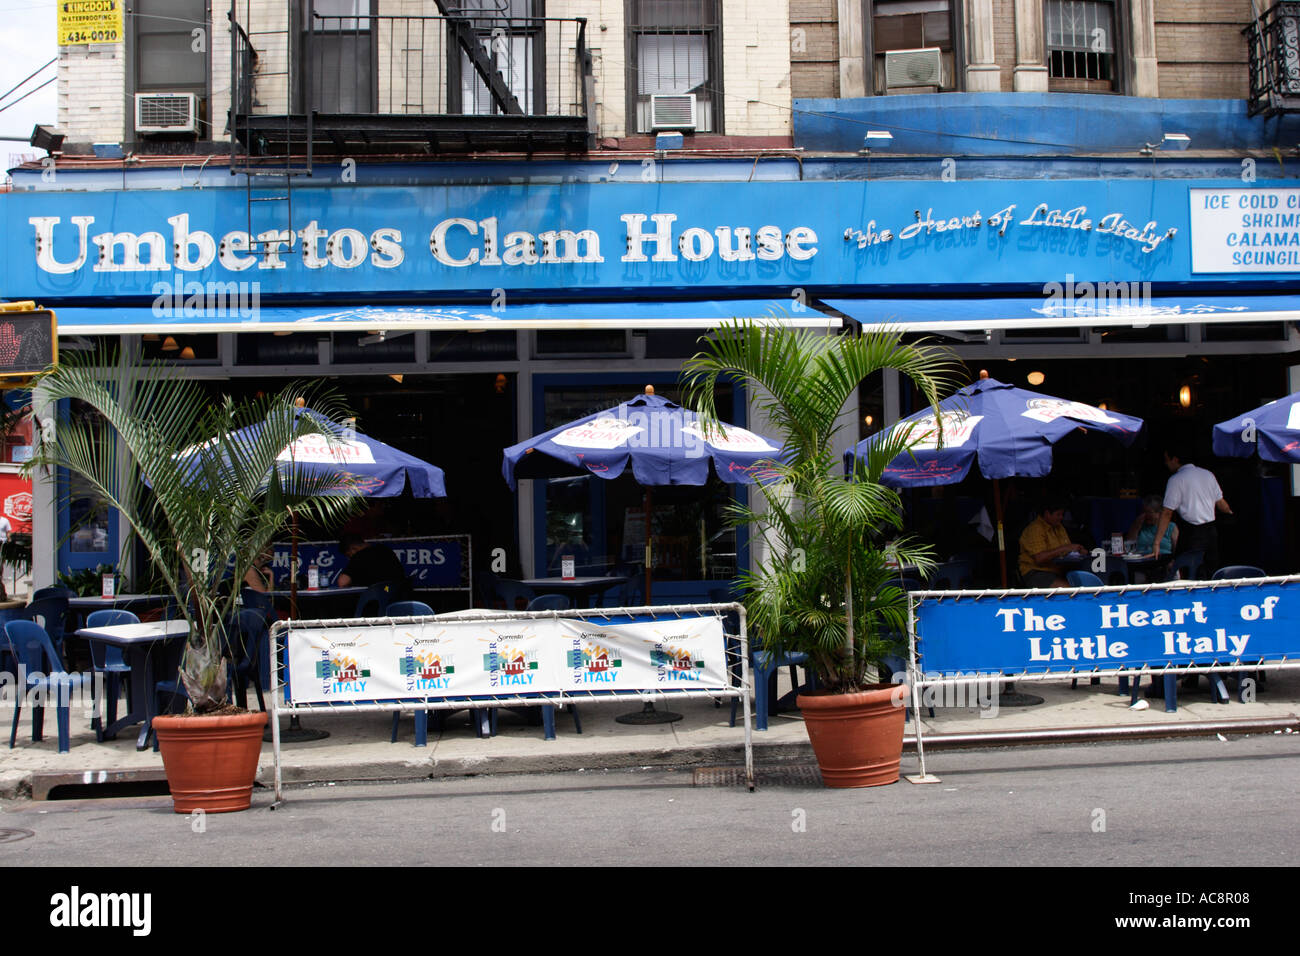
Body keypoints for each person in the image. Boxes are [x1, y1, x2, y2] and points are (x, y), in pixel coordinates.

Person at [1149, 445, 1232, 579]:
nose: (1166, 463)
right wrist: (1230, 512)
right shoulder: (1208, 474)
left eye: (1166, 460)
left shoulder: (1176, 480)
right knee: (1211, 573)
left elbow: (1167, 513)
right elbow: (1221, 504)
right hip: (1211, 533)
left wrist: (1156, 543)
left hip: (1193, 534)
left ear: (1175, 459)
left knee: (1191, 575)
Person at [1018, 496, 1087, 588]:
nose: (1061, 518)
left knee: (1085, 585)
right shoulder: (1035, 529)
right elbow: (1039, 558)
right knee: (1070, 590)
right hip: (1037, 573)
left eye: (1062, 515)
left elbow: (1069, 549)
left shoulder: (1059, 527)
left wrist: (1079, 550)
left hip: (1059, 571)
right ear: (1047, 513)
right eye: (1058, 515)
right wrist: (1063, 548)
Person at [335, 533, 408, 590]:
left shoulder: (359, 556)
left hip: (380, 596)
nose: (349, 558)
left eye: (349, 555)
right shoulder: (385, 549)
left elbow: (342, 583)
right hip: (399, 593)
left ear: (353, 549)